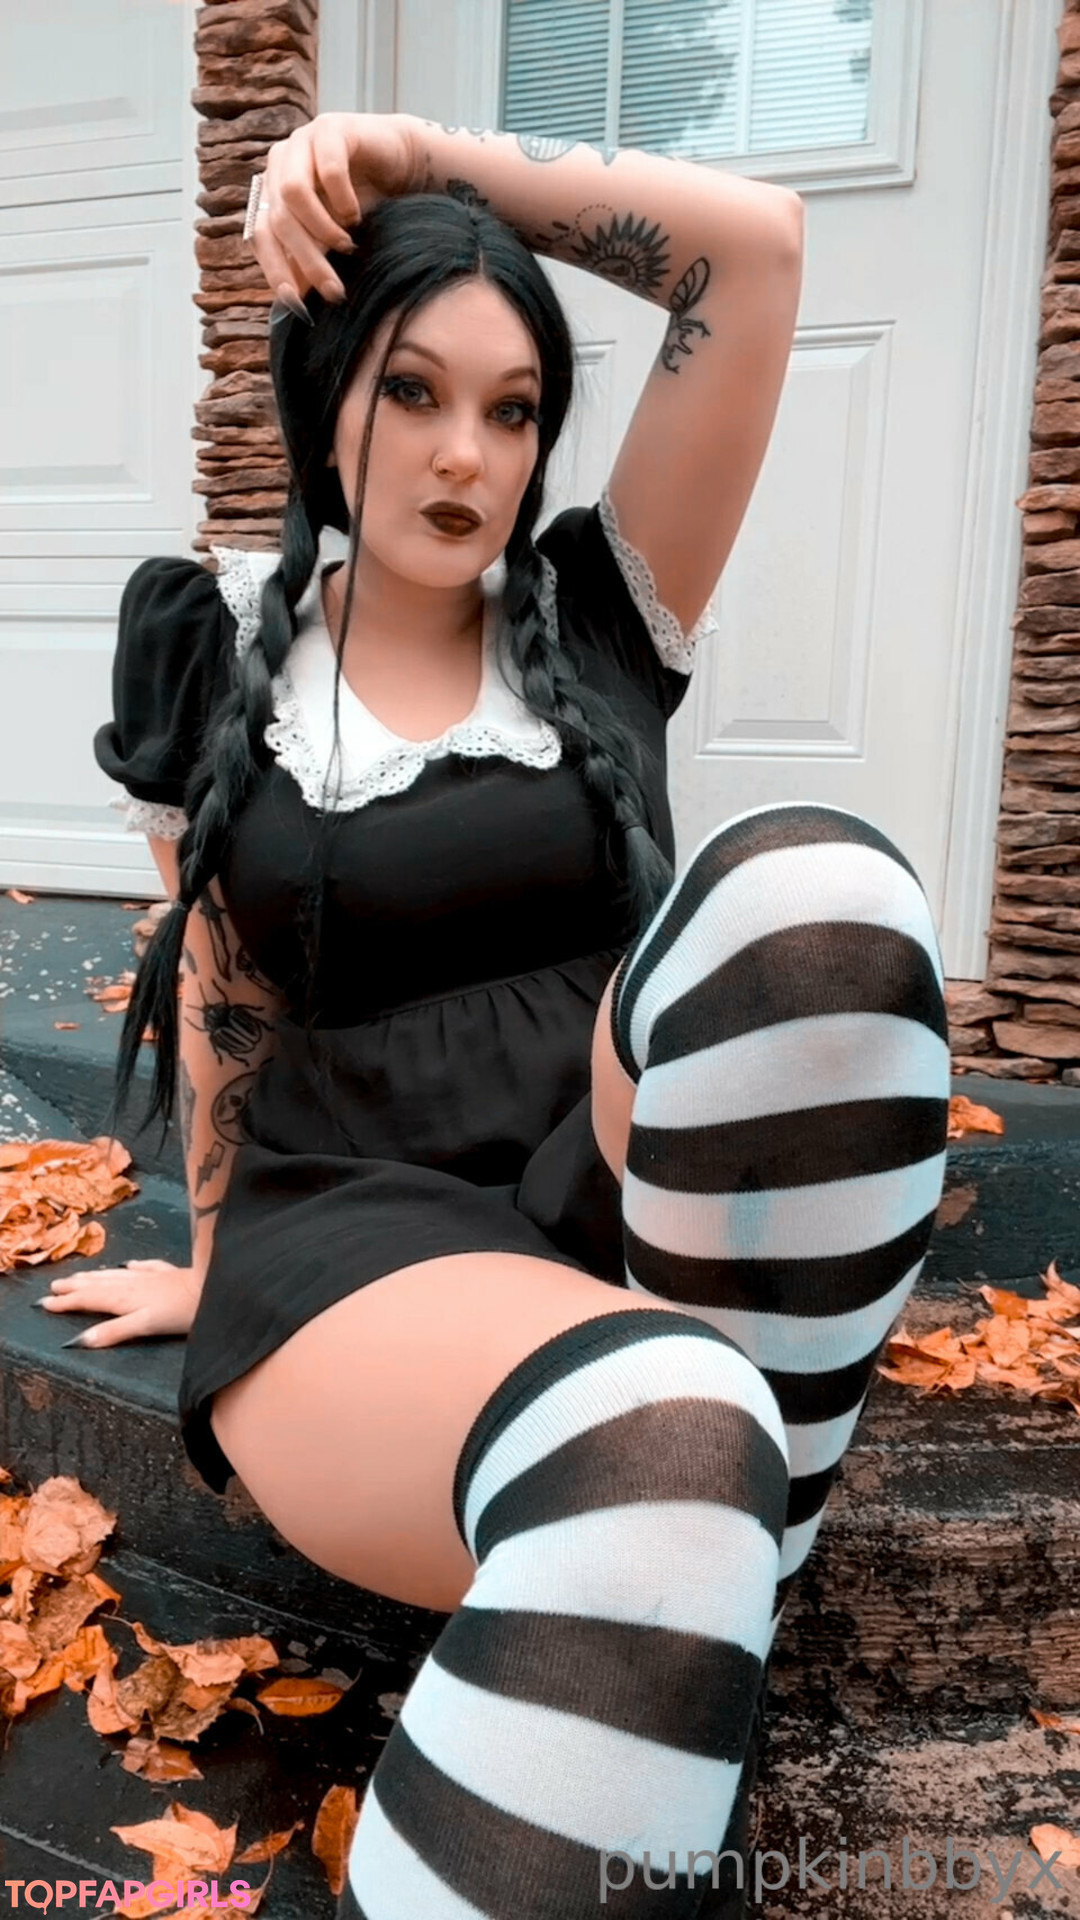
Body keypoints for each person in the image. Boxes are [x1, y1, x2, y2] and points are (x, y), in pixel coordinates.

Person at [43, 112, 950, 1918]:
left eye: (515, 408)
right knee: (664, 1436)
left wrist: (421, 160)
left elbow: (755, 255)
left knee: (819, 900)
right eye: (414, 391)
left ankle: (726, 1533)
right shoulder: (216, 647)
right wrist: (213, 1262)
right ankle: (703, 1513)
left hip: (607, 1173)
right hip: (364, 1231)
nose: (469, 453)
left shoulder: (599, 610)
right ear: (329, 398)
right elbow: (220, 992)